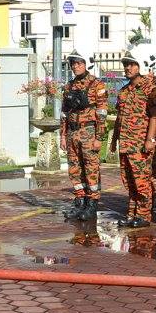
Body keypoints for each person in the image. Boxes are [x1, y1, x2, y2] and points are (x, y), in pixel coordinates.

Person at [109, 46, 156, 228]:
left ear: (140, 66)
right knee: (129, 180)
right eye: (126, 65)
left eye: (131, 65)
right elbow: (120, 118)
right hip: (125, 143)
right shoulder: (124, 91)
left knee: (142, 181)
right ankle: (132, 213)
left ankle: (144, 215)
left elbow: (155, 117)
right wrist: (114, 140)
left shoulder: (151, 89)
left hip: (140, 143)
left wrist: (150, 140)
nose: (128, 68)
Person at [60, 50, 109, 221]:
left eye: (79, 63)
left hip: (89, 131)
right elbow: (64, 113)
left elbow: (102, 112)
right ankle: (79, 200)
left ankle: (92, 203)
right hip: (72, 132)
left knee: (91, 169)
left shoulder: (97, 85)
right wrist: (62, 136)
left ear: (86, 63)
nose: (75, 66)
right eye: (73, 63)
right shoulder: (68, 87)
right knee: (74, 168)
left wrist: (99, 138)